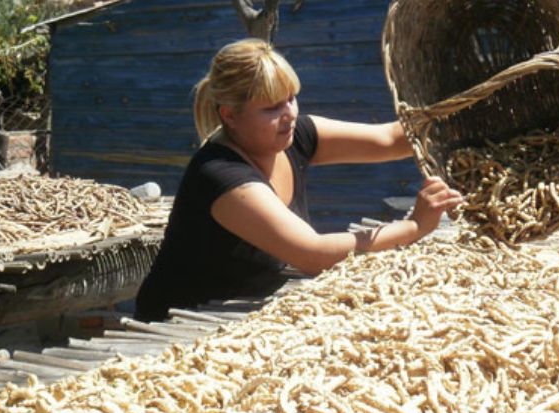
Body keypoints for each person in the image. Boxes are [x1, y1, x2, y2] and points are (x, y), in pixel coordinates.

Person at [134, 38, 462, 322]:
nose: (289, 113)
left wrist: (462, 110)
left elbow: (390, 139)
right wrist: (414, 227)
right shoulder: (220, 174)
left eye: (291, 97)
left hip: (247, 305)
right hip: (183, 323)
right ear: (230, 115)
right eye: (272, 108)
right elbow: (312, 253)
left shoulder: (295, 134)